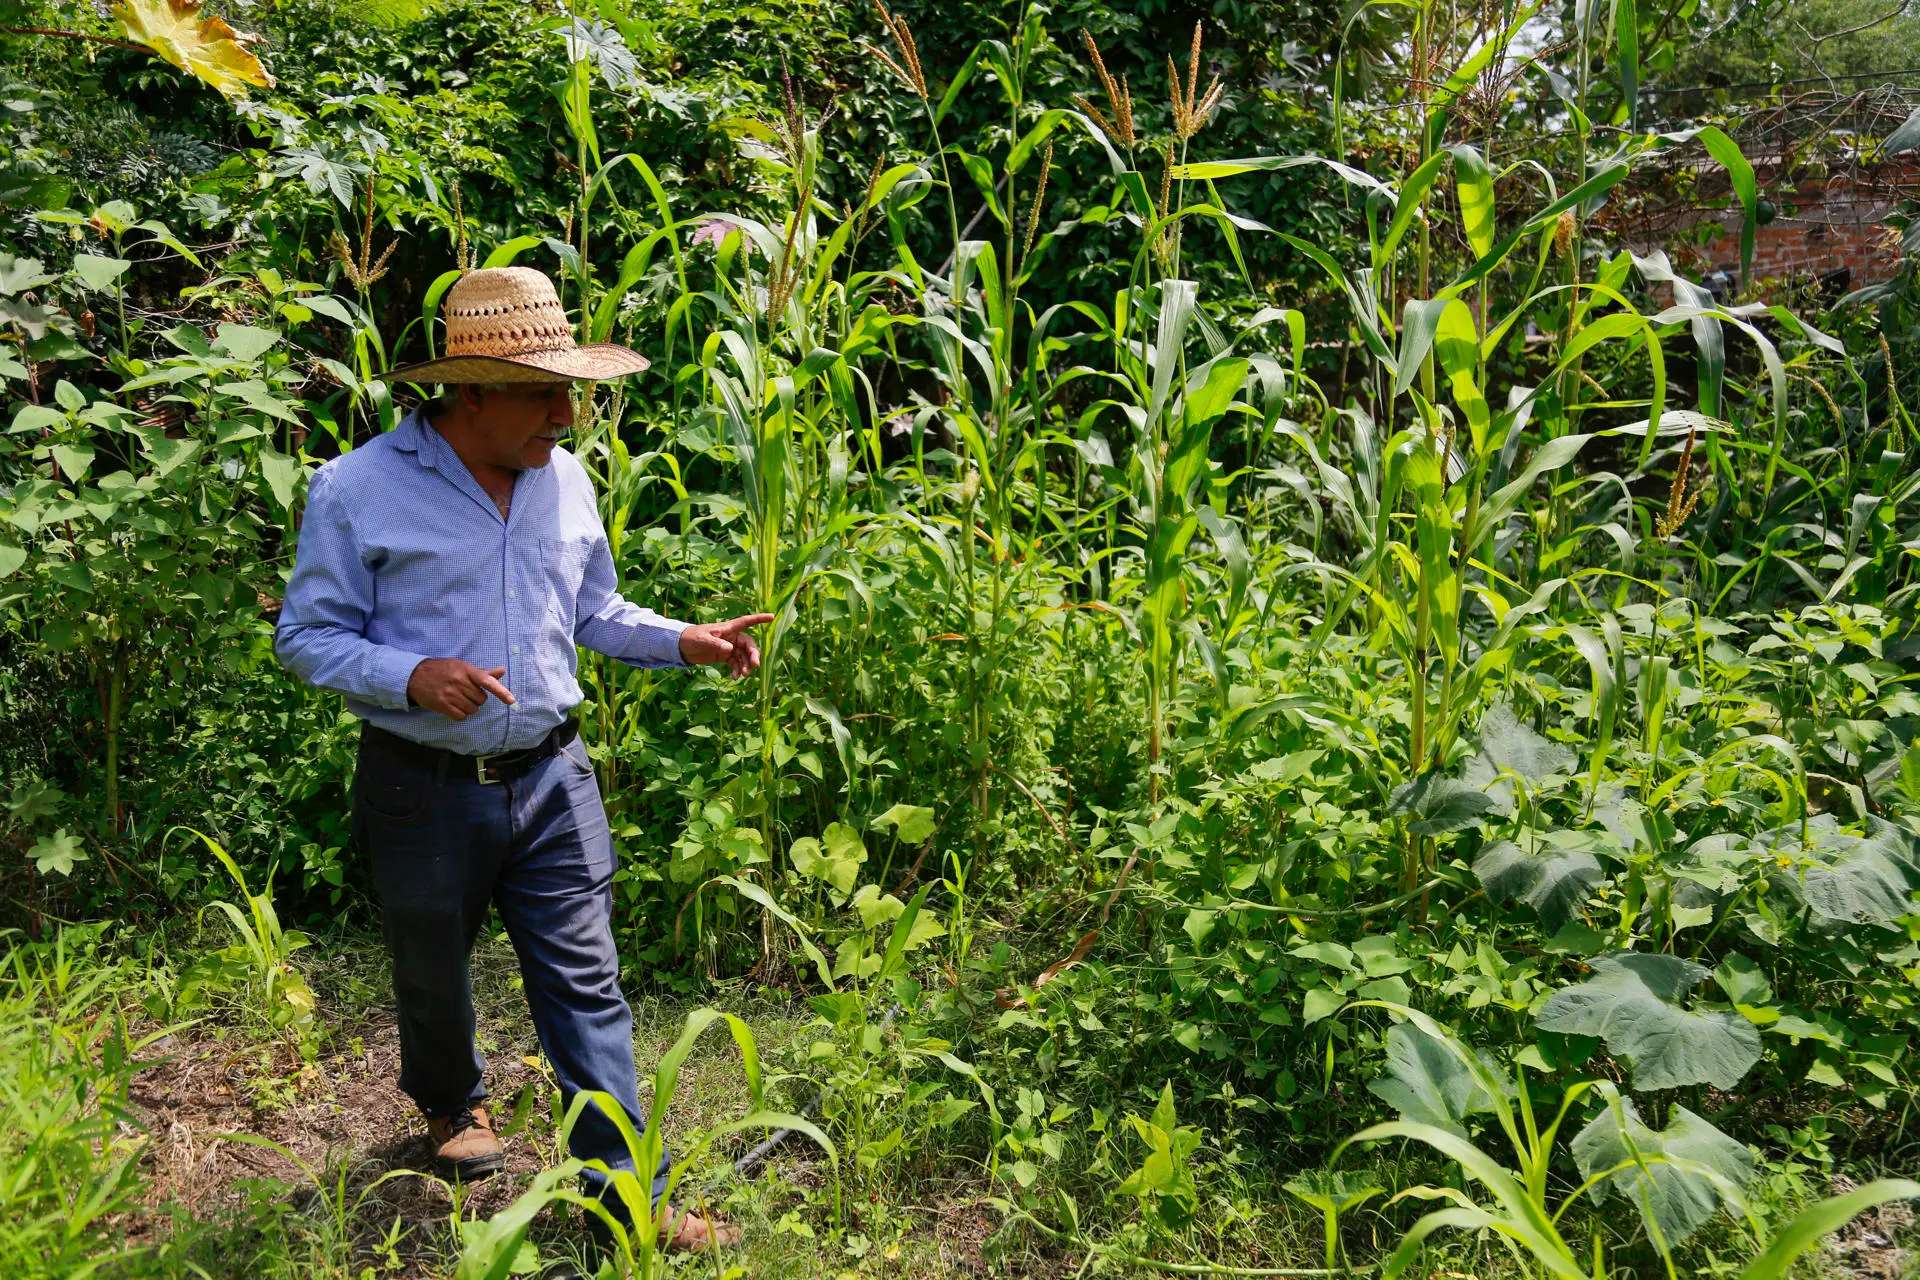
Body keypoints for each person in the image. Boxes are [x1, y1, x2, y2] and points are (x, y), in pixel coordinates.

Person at [275, 266, 759, 1252]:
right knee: (431, 968)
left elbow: (594, 611)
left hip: (552, 776)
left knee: (589, 988)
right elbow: (305, 633)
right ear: (473, 390)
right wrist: (411, 674)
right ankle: (453, 1103)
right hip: (422, 786)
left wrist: (683, 638)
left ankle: (623, 1196)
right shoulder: (358, 488)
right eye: (546, 389)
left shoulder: (566, 479)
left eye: (570, 386)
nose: (568, 412)